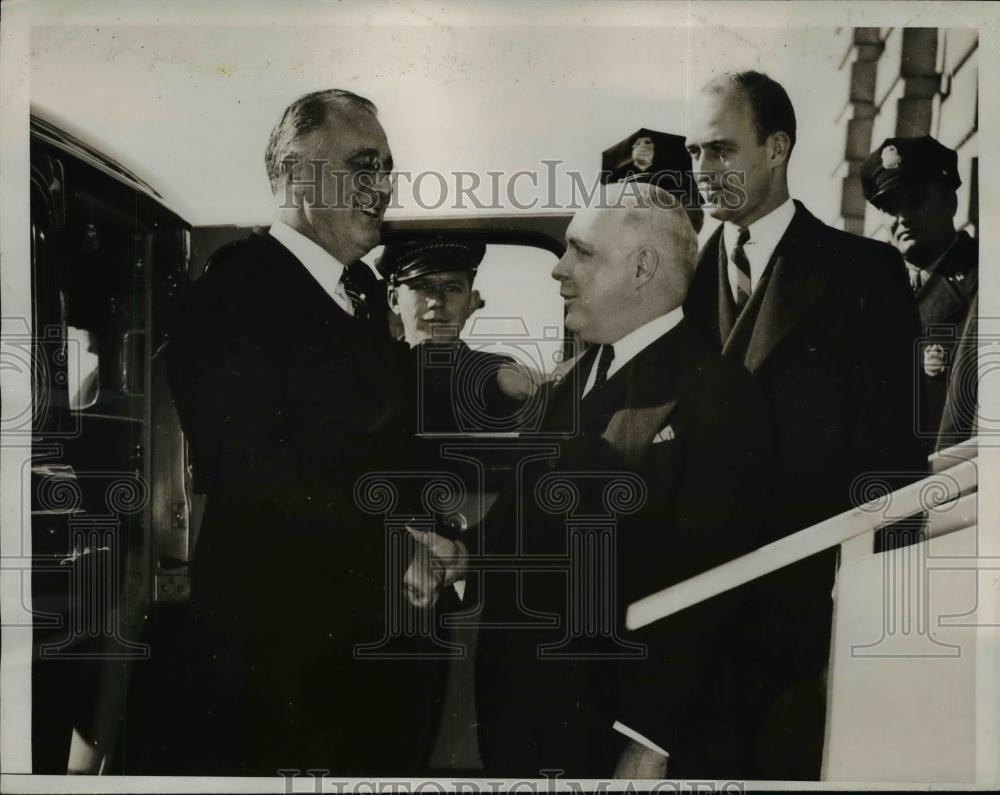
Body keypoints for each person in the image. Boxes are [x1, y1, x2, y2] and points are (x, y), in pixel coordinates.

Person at [410, 183, 773, 778]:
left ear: (642, 267)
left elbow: (714, 590)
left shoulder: (718, 396)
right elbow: (530, 526)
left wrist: (650, 739)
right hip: (524, 717)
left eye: (581, 252)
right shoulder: (567, 382)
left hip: (615, 735)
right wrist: (464, 555)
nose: (559, 269)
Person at [162, 89, 441, 775]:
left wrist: (436, 532)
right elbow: (254, 471)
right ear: (293, 176)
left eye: (388, 167)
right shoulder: (232, 296)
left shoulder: (362, 295)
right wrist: (396, 548)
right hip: (279, 672)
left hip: (367, 663)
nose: (383, 187)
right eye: (363, 165)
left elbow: (386, 437)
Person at [682, 71, 926, 778]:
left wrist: (874, 626)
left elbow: (896, 466)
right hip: (692, 632)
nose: (703, 170)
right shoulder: (675, 285)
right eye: (695, 152)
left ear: (777, 148)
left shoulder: (863, 274)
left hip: (810, 626)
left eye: (721, 150)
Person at [861, 136, 978, 454]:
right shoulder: (875, 294)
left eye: (914, 201)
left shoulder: (982, 280)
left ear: (950, 204)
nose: (902, 218)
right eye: (890, 208)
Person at [378, 239, 528, 433]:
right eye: (422, 286)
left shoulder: (499, 375)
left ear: (471, 302)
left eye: (452, 288)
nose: (437, 301)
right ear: (394, 299)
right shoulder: (372, 370)